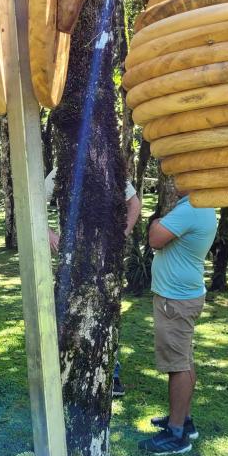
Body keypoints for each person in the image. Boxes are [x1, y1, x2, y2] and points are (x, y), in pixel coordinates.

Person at [44, 167, 141, 397]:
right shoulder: (62, 168)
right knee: (70, 312)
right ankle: (68, 372)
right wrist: (48, 232)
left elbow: (134, 203)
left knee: (106, 314)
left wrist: (123, 233)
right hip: (73, 257)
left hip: (106, 258)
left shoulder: (111, 166)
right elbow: (35, 200)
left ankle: (111, 374)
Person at [137, 191, 217, 455]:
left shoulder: (192, 207)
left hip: (176, 301)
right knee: (184, 359)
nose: (176, 178)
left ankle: (176, 434)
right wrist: (161, 222)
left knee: (178, 365)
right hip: (183, 297)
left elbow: (155, 239)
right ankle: (183, 419)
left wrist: (156, 223)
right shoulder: (198, 205)